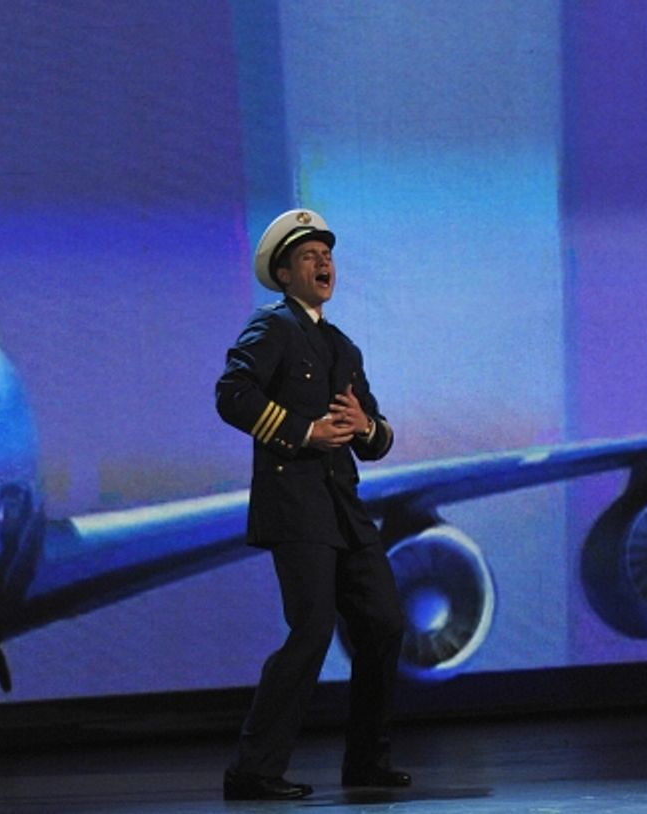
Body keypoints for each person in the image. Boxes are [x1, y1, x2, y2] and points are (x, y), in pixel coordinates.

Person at [215, 209, 409, 801]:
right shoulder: (271, 328)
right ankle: (253, 769)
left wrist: (365, 425)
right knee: (311, 631)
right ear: (282, 272)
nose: (323, 263)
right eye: (308, 256)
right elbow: (232, 395)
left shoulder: (341, 345)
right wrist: (304, 431)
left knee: (383, 622)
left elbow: (374, 436)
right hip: (295, 504)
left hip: (343, 507)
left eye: (326, 254)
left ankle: (366, 761)